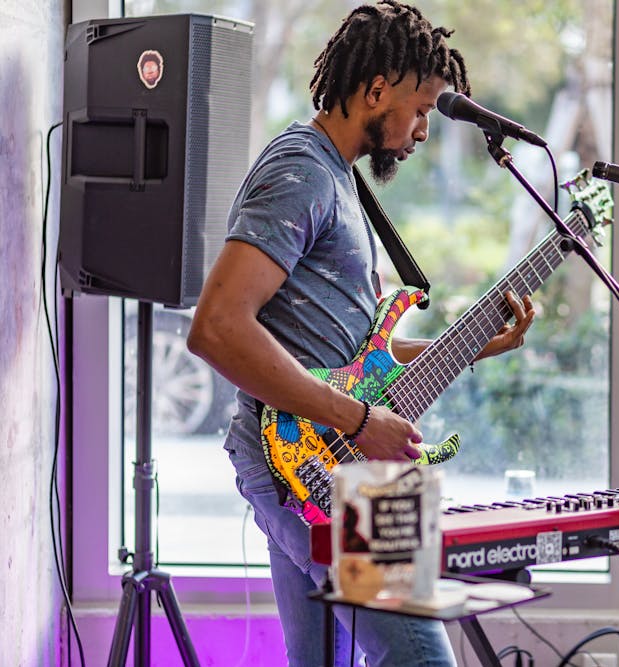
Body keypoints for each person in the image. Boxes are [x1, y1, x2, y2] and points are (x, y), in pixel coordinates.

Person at [186, 2, 535, 665]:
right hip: (311, 460)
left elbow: (348, 358)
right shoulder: (303, 171)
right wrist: (359, 417)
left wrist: (471, 345)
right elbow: (217, 328)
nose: (424, 130)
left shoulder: (337, 176)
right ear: (376, 90)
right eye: (421, 108)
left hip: (321, 455)